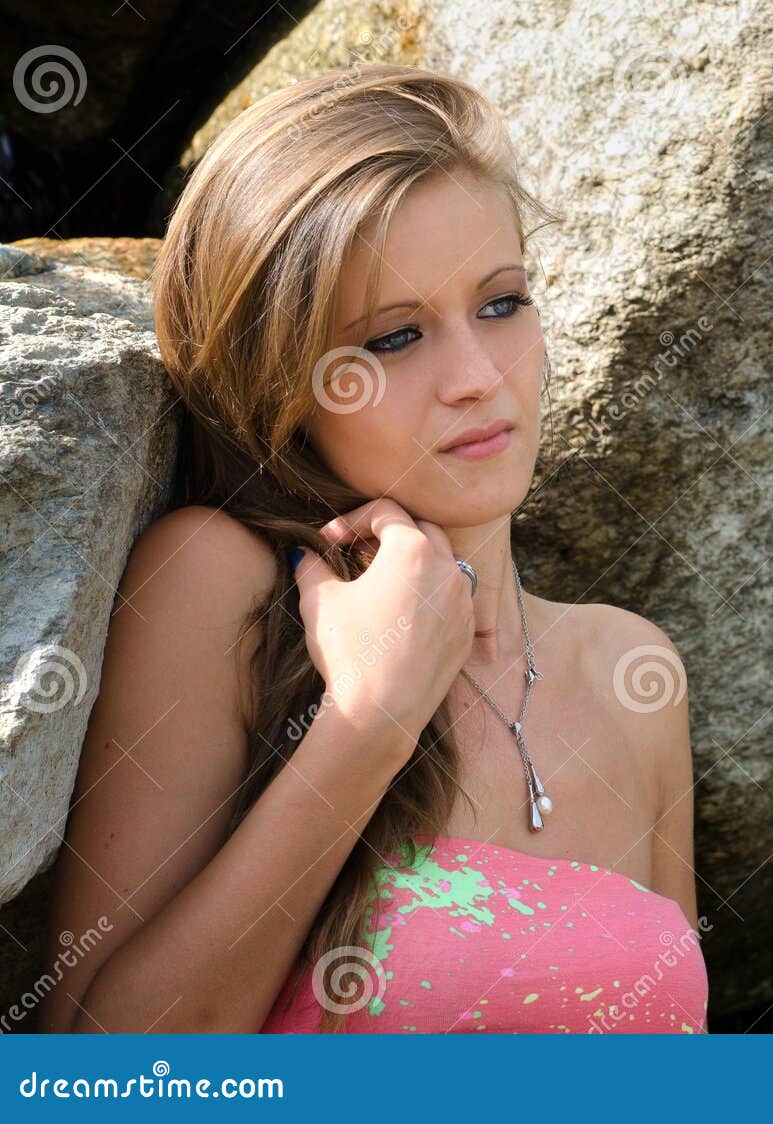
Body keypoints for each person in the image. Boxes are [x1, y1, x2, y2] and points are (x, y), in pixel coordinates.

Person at [36, 64, 707, 1034]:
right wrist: (367, 724)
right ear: (281, 383)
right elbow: (97, 1080)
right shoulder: (219, 589)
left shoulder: (632, 672)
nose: (477, 378)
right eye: (394, 340)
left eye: (500, 303)